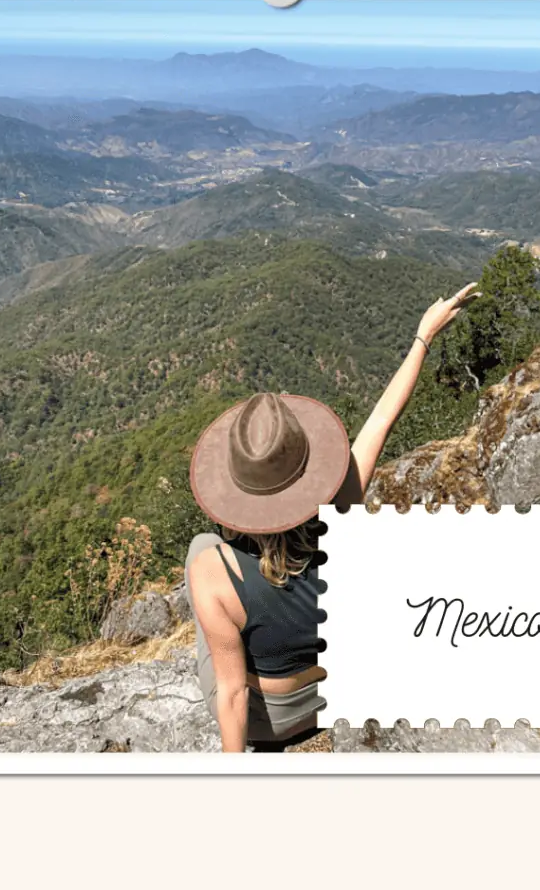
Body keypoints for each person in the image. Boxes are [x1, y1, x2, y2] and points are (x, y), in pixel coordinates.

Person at [185, 282, 480, 751]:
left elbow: (234, 693)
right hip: (332, 697)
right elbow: (383, 419)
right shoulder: (343, 505)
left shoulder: (214, 572)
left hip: (273, 721)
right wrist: (423, 337)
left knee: (201, 549)